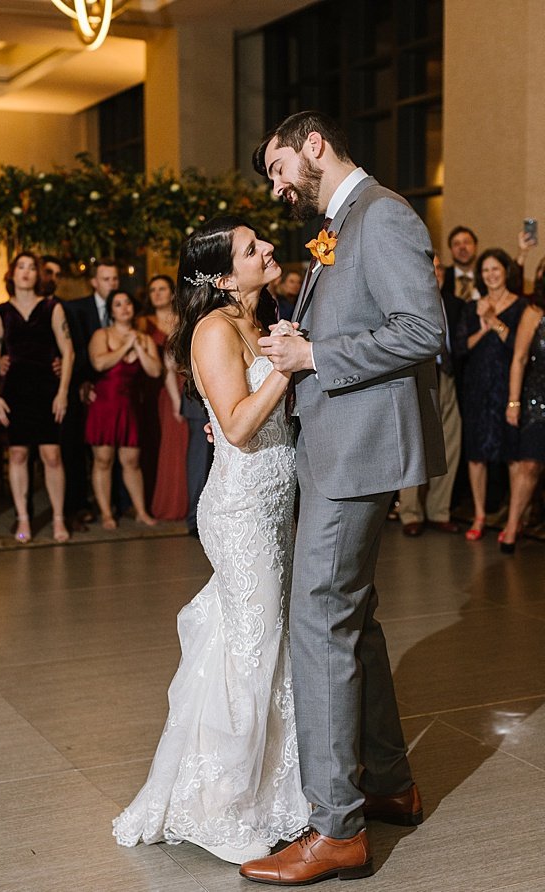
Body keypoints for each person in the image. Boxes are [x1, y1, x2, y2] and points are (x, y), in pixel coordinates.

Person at [247, 110, 445, 884]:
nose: (278, 185)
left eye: (279, 167)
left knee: (319, 624)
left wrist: (314, 353)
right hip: (339, 443)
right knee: (352, 621)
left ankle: (336, 830)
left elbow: (420, 330)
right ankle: (391, 782)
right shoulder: (342, 221)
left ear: (315, 147)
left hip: (358, 451)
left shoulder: (384, 214)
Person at [112, 217, 307, 863]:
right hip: (241, 508)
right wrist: (288, 363)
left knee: (256, 645)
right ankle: (225, 807)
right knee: (253, 650)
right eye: (253, 249)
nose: (268, 251)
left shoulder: (261, 318)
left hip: (278, 501)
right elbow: (241, 424)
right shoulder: (215, 329)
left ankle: (274, 792)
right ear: (224, 276)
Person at [0, 251, 74, 544]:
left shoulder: (52, 307)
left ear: (38, 275)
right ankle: (23, 517)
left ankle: (59, 519)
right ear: (11, 274)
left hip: (47, 388)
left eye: (31, 268)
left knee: (52, 455)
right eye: (20, 267)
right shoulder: (1, 312)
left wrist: (62, 392)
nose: (25, 272)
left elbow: (69, 352)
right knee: (18, 453)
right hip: (14, 390)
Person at [458, 248, 524, 540]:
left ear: (505, 271)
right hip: (477, 387)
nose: (490, 275)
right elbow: (461, 348)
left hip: (507, 386)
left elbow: (520, 348)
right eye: (485, 271)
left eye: (495, 269)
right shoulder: (473, 307)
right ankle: (480, 515)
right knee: (476, 455)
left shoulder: (521, 306)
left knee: (512, 453)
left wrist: (495, 321)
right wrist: (484, 326)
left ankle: (513, 520)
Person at [84, 290, 162, 528]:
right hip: (104, 406)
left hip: (128, 407)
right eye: (118, 304)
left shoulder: (144, 339)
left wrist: (137, 347)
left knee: (132, 461)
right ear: (111, 311)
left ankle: (140, 510)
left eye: (127, 302)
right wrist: (125, 346)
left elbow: (155, 371)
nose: (124, 307)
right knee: (103, 460)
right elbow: (99, 362)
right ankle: (107, 513)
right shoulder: (102, 334)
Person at [399, 253, 462, 537]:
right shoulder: (408, 299)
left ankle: (440, 511)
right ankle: (410, 512)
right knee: (414, 444)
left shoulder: (454, 304)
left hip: (448, 376)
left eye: (439, 269)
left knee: (451, 442)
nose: (435, 273)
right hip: (419, 375)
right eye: (429, 267)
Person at [61, 259, 118, 528]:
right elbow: (73, 349)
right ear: (94, 282)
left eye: (115, 279)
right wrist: (83, 381)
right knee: (77, 450)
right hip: (82, 387)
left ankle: (115, 502)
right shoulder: (75, 309)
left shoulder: (123, 308)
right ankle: (80, 505)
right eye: (106, 279)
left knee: (112, 452)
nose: (112, 284)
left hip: (115, 390)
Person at [140, 274, 190, 521]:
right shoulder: (143, 323)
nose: (157, 294)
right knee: (160, 445)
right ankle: (163, 502)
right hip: (156, 391)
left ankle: (184, 503)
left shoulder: (184, 321)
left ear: (172, 293)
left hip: (185, 384)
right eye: (153, 290)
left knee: (184, 446)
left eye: (162, 289)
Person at [501, 294, 545, 552]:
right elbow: (518, 359)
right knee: (529, 464)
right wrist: (514, 401)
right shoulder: (534, 311)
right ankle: (511, 527)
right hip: (537, 398)